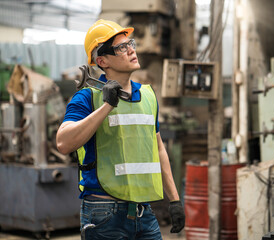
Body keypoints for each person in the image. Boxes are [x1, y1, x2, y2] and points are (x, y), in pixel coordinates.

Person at [56, 19, 185, 239]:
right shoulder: (88, 97)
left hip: (144, 212)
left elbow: (159, 148)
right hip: (103, 213)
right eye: (121, 47)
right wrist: (107, 105)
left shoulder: (148, 96)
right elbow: (63, 142)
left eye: (130, 43)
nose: (131, 50)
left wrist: (174, 199)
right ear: (102, 60)